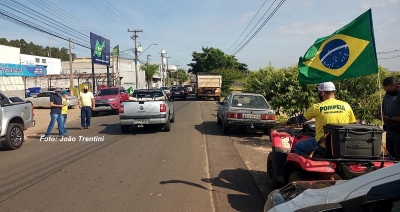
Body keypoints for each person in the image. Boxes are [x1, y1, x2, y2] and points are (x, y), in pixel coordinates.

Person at [294, 82, 356, 155]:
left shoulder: (317, 107)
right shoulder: (346, 106)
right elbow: (353, 124)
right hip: (342, 144)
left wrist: (290, 121)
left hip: (323, 145)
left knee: (298, 146)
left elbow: (302, 119)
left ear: (322, 93)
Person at [380, 77, 400, 158]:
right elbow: (383, 107)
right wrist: (380, 114)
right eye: (386, 90)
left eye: (390, 90)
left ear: (397, 86)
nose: (388, 92)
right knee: (391, 157)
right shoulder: (387, 95)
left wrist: (389, 118)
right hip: (389, 131)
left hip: (398, 132)